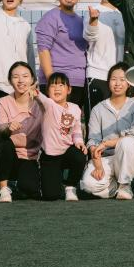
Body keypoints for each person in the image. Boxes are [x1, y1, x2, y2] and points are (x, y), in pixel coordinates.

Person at [81, 63, 134, 200]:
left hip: (131, 157)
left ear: (129, 84)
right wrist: (98, 165)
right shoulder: (98, 109)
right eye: (113, 79)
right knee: (88, 186)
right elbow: (93, 140)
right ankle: (115, 187)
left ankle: (125, 185)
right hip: (107, 159)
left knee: (127, 142)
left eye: (122, 80)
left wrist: (106, 144)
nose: (117, 83)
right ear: (108, 82)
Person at [35, 0, 89, 115]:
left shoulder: (80, 20)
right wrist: (52, 82)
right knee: (55, 123)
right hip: (58, 83)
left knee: (71, 123)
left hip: (78, 82)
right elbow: (43, 50)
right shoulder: (51, 17)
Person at [0, 61, 44, 202]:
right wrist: (8, 127)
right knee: (4, 142)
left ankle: (17, 183)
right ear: (10, 81)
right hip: (9, 153)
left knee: (29, 189)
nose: (21, 80)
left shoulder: (41, 102)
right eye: (15, 77)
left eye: (25, 76)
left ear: (32, 79)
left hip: (30, 155)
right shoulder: (3, 101)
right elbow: (1, 131)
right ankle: (3, 187)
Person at [34, 72, 88, 201]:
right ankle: (53, 180)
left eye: (61, 85)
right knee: (51, 195)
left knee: (80, 154)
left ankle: (70, 186)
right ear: (47, 91)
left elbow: (76, 129)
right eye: (52, 86)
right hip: (50, 156)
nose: (57, 88)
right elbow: (40, 97)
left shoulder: (75, 108)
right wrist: (34, 90)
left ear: (69, 89)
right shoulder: (48, 105)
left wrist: (79, 141)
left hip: (67, 152)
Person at [85, 0, 126, 112]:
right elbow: (89, 37)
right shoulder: (93, 11)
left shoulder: (124, 13)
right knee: (96, 121)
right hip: (99, 75)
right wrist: (93, 21)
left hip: (122, 78)